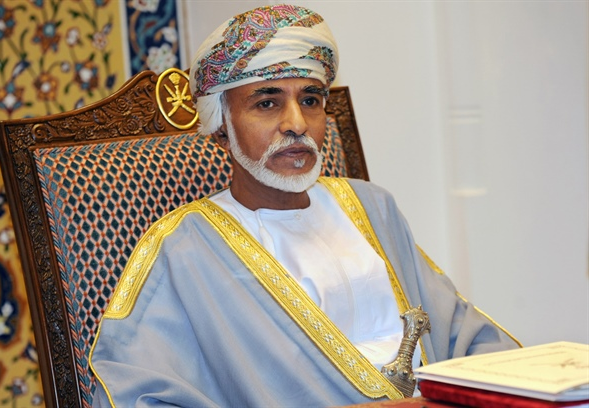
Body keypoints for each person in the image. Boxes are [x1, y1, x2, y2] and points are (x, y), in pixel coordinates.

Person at [89, 4, 520, 407]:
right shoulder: (185, 248)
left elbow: (462, 336)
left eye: (310, 100)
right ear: (221, 128)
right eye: (267, 103)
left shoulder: (370, 205)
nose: (296, 124)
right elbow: (137, 391)